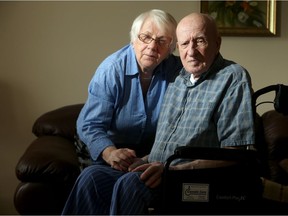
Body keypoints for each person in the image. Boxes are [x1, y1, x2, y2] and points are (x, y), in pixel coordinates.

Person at [107, 12, 256, 214]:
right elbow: (167, 148)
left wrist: (172, 170)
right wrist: (141, 161)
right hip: (161, 170)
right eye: (185, 44)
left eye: (200, 41)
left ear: (217, 43)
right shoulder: (178, 80)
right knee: (93, 178)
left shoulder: (233, 77)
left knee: (131, 185)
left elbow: (235, 153)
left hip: (193, 179)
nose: (191, 51)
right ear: (178, 48)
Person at [61, 9, 181, 215]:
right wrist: (109, 152)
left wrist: (150, 158)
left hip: (148, 153)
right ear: (134, 39)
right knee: (93, 181)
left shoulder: (177, 71)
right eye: (146, 37)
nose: (152, 46)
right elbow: (90, 125)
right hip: (107, 147)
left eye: (162, 41)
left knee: (132, 186)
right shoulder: (111, 70)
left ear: (171, 47)